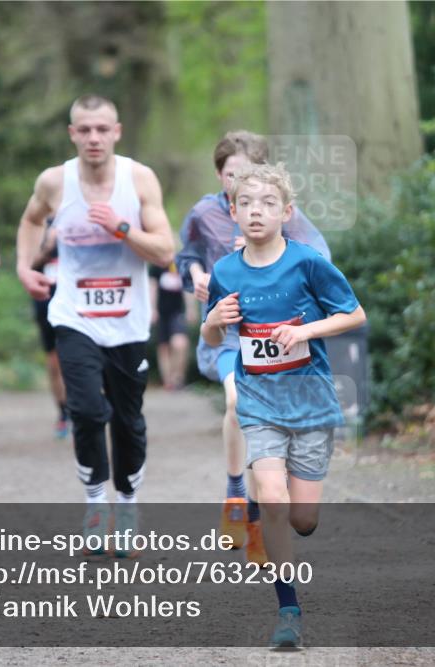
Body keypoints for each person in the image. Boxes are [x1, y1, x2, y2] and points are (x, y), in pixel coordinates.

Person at [202, 162, 366, 648]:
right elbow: (212, 335)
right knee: (272, 499)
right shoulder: (225, 270)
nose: (256, 212)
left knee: (302, 520)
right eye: (247, 204)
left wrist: (305, 330)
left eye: (268, 204)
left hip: (311, 402)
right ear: (233, 211)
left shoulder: (308, 262)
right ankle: (288, 608)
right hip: (260, 402)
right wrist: (212, 320)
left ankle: (285, 521)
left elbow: (354, 314)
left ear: (286, 212)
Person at [15, 94, 173, 556]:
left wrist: (123, 229)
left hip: (128, 321)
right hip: (74, 315)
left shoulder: (138, 179)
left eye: (102, 129)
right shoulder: (54, 181)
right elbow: (29, 220)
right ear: (72, 134)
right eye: (84, 130)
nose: (93, 138)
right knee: (85, 411)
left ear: (117, 131)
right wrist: (25, 266)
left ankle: (127, 505)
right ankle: (95, 503)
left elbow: (165, 251)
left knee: (128, 421)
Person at [176, 131, 330, 560]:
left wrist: (274, 254)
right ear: (219, 175)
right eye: (230, 176)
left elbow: (321, 261)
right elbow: (184, 255)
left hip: (276, 340)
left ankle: (262, 512)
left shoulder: (281, 214)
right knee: (234, 403)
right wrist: (196, 279)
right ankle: (235, 495)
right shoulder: (205, 213)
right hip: (227, 334)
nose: (238, 184)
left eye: (245, 174)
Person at [30, 219, 70, 439]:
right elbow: (28, 263)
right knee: (54, 361)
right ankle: (63, 412)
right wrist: (48, 245)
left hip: (75, 296)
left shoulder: (82, 212)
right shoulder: (39, 221)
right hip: (46, 297)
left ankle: (85, 407)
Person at [148, 259, 190, 391]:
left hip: (177, 312)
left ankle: (178, 377)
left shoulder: (181, 264)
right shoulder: (156, 265)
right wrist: (152, 309)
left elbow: (187, 288)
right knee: (164, 347)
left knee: (180, 343)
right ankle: (168, 381)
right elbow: (152, 287)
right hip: (161, 313)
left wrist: (190, 309)